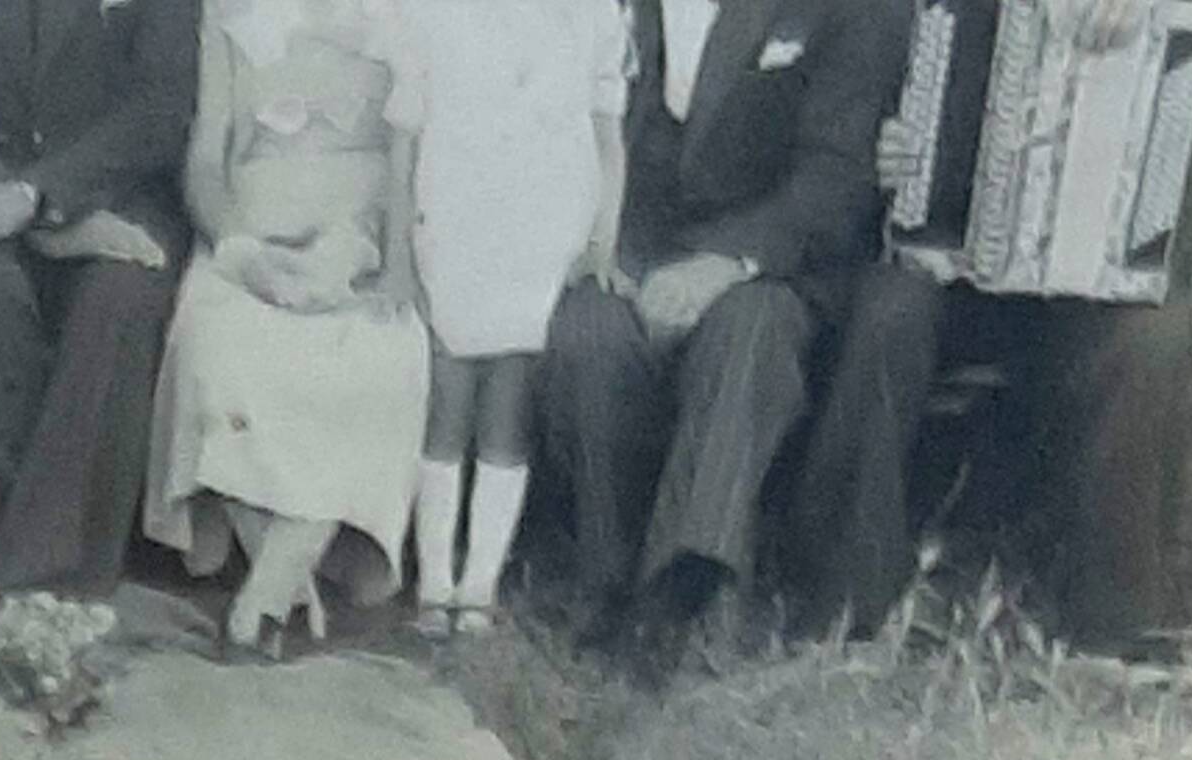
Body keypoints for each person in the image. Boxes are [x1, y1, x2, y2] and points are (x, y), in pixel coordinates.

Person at [790, 0, 1192, 656]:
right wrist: (893, 140)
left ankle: (1119, 633)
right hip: (960, 278)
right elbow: (877, 67)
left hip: (1106, 289)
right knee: (888, 309)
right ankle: (844, 612)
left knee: (1154, 341)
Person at [539, 0, 906, 670]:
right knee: (587, 328)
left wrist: (725, 264)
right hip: (636, 238)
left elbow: (837, 175)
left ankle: (688, 589)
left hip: (771, 257)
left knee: (749, 333)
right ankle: (607, 585)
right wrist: (605, 246)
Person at [0, 0, 197, 597]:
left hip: (114, 195)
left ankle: (51, 590)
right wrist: (11, 209)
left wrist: (45, 196)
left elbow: (162, 105)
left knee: (120, 296)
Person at [142, 0, 426, 652]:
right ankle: (286, 573)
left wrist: (385, 260)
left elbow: (409, 155)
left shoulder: (396, 13)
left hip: (361, 247)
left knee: (385, 355)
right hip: (252, 242)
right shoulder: (231, 12)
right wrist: (242, 252)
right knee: (213, 349)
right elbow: (206, 162)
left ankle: (273, 582)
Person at [389, 0, 626, 629]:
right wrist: (397, 251)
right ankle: (435, 576)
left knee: (508, 403)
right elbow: (404, 135)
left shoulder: (593, 14)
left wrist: (602, 238)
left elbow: (607, 134)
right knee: (450, 393)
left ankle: (479, 583)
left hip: (542, 224)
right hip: (455, 209)